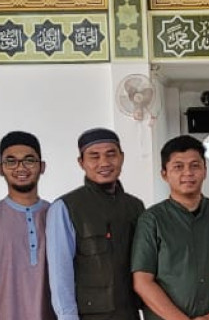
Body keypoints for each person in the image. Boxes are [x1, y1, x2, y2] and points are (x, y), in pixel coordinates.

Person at [132, 135, 209, 320]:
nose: (188, 173)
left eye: (195, 166)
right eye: (178, 167)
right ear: (164, 174)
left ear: (205, 171)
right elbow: (142, 282)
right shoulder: (151, 220)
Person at [47, 128, 145, 320]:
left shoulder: (135, 206)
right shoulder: (65, 207)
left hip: (129, 314)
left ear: (122, 157)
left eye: (111, 154)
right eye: (94, 156)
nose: (104, 163)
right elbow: (60, 273)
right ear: (81, 162)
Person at [0, 131, 56, 320]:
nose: (20, 167)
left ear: (42, 166)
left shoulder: (57, 216)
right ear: (0, 168)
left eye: (29, 160)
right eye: (11, 161)